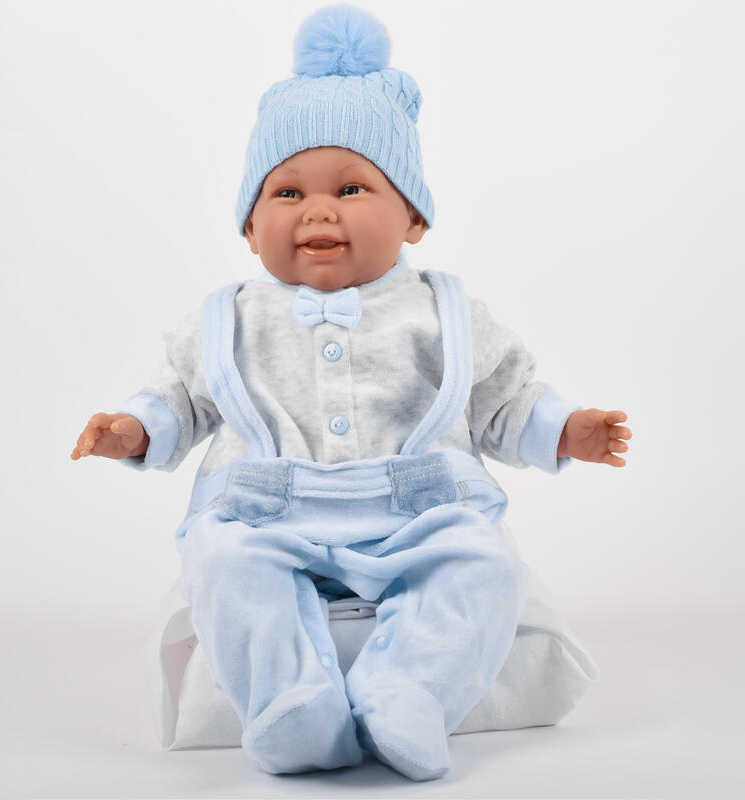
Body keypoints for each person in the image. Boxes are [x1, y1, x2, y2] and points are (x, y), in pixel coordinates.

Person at [71, 4, 632, 782]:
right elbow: (181, 396)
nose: (319, 209)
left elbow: (504, 396)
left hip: (418, 509)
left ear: (413, 217)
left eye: (351, 186)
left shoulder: (443, 311)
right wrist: (133, 429)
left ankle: (407, 694)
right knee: (222, 562)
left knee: (483, 564)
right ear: (249, 228)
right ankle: (292, 706)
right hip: (265, 511)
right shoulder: (229, 318)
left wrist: (569, 428)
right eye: (286, 194)